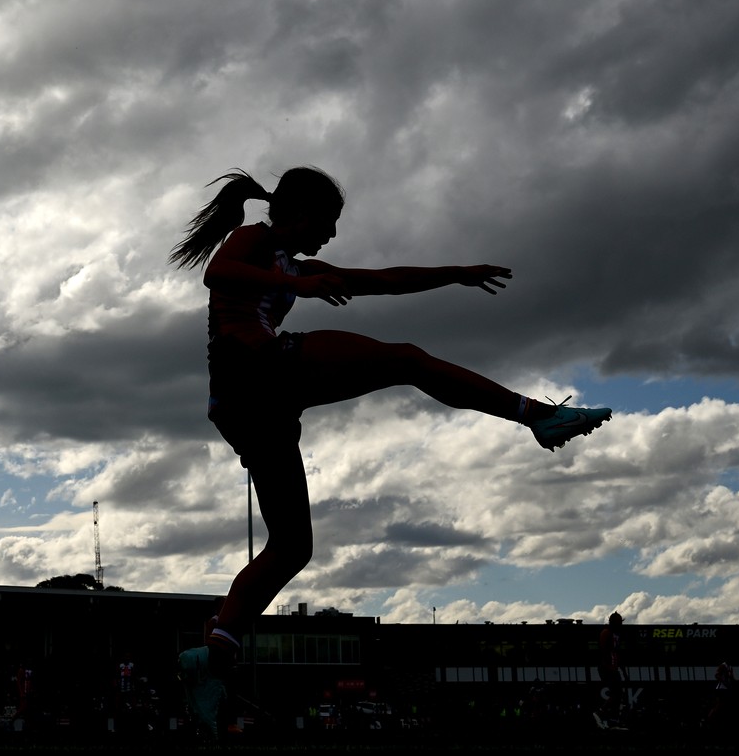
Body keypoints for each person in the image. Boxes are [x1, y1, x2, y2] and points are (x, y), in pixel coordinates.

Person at [173, 167, 612, 736]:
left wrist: (457, 274)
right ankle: (536, 415)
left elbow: (381, 279)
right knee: (405, 359)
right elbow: (218, 273)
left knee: (291, 548)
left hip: (256, 408)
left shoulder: (294, 265)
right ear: (300, 213)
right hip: (258, 375)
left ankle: (213, 660)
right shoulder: (256, 241)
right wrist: (302, 289)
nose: (330, 237)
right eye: (327, 224)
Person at [596, 610, 626, 728]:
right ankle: (601, 712)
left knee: (618, 694)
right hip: (607, 667)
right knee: (616, 693)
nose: (620, 625)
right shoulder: (606, 632)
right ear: (613, 622)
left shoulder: (616, 634)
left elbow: (616, 653)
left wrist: (622, 670)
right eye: (619, 622)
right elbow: (604, 651)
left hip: (613, 667)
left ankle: (613, 719)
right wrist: (608, 667)